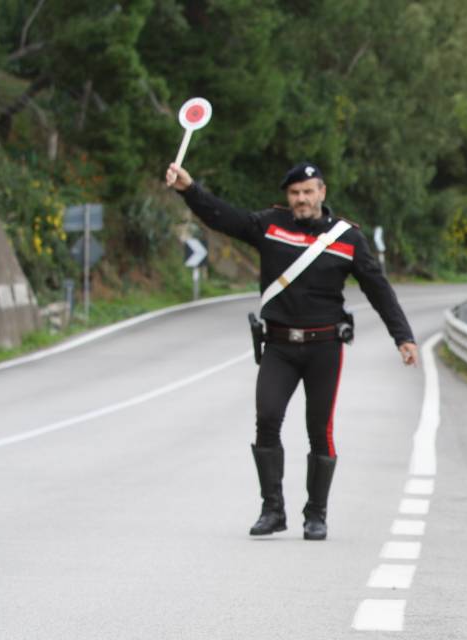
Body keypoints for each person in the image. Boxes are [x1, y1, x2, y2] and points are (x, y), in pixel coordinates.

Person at [165, 160, 419, 541]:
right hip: (280, 346)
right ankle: (273, 509)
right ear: (289, 196)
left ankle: (316, 514)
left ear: (322, 193)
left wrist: (403, 337)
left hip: (325, 348)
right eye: (295, 193)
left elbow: (378, 289)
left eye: (308, 192)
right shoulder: (270, 225)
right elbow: (222, 218)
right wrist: (188, 188)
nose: (301, 199)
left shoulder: (348, 238)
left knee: (320, 430)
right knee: (267, 418)